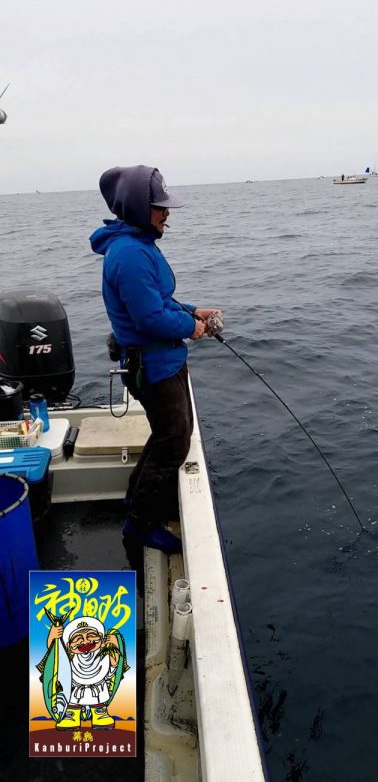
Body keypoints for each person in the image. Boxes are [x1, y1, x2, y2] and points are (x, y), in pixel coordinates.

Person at [90, 165, 220, 553]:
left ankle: (136, 498)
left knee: (171, 436)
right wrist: (191, 327)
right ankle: (140, 524)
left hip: (165, 362)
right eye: (160, 207)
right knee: (173, 443)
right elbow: (149, 318)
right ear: (136, 207)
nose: (167, 214)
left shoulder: (139, 244)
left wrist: (193, 311)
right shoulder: (130, 254)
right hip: (153, 368)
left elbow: (159, 299)